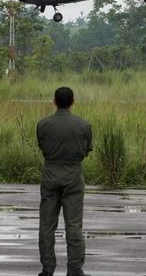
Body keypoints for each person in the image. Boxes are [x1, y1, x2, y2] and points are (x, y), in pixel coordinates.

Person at [36, 87, 93, 276]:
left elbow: (42, 147)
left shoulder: (43, 124)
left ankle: (47, 268)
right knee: (74, 225)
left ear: (54, 101)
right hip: (73, 176)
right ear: (72, 102)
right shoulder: (83, 125)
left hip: (50, 174)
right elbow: (87, 150)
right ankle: (75, 269)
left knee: (46, 225)